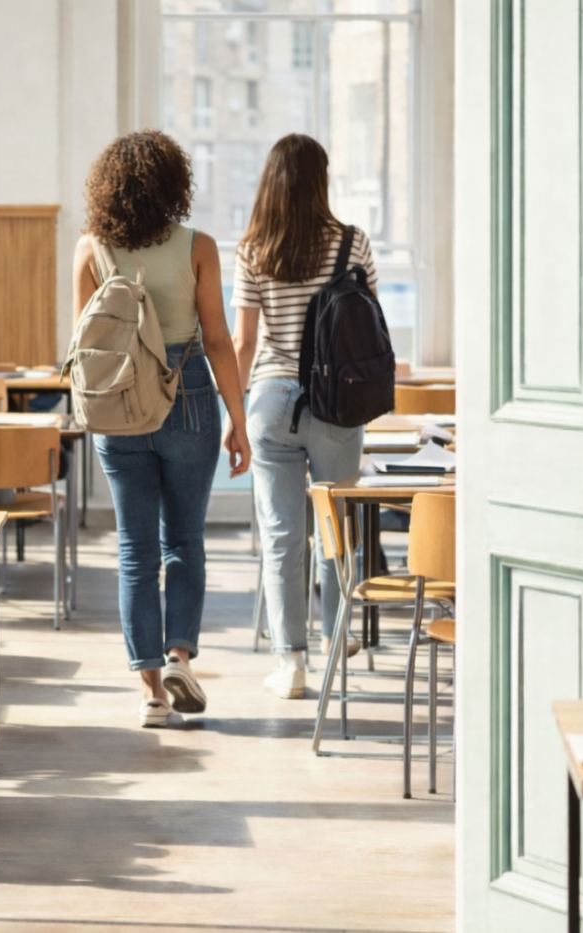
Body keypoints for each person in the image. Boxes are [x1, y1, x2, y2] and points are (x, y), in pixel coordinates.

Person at [73, 129, 251, 728]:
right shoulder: (198, 246)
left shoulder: (90, 250)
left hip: (120, 401)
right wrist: (238, 419)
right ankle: (180, 656)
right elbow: (220, 340)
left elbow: (86, 346)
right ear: (176, 185)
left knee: (135, 549)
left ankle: (150, 693)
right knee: (185, 541)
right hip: (189, 395)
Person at [228, 133, 380, 700]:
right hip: (337, 403)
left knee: (281, 534)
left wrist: (235, 416)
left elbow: (244, 343)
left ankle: (291, 662)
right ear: (322, 180)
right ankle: (337, 639)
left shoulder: (252, 249)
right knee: (336, 528)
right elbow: (367, 328)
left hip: (270, 401)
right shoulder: (353, 242)